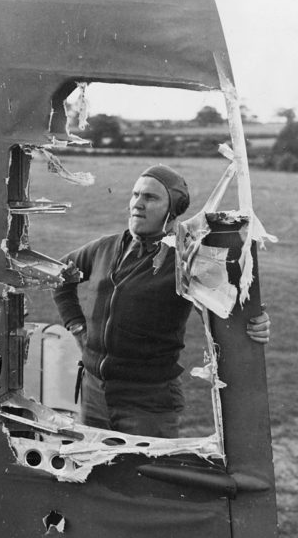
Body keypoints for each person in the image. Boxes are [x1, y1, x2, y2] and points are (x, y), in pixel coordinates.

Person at [53, 165, 270, 438]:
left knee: (144, 479)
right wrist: (76, 326)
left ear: (174, 210)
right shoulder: (103, 248)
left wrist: (257, 322)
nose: (137, 204)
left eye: (150, 198)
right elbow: (60, 274)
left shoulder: (184, 257)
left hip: (147, 405)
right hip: (93, 393)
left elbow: (233, 304)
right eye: (135, 195)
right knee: (95, 477)